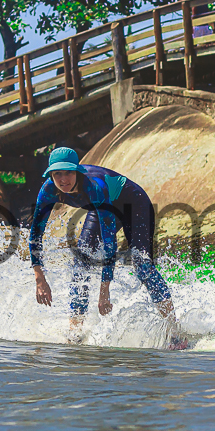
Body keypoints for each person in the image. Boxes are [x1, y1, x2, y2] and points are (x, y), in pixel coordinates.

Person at [29, 147, 187, 348]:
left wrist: (104, 290)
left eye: (68, 172)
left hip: (134, 205)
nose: (63, 179)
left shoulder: (95, 186)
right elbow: (36, 233)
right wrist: (39, 278)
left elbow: (109, 241)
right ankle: (75, 333)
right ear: (50, 175)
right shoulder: (48, 190)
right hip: (101, 209)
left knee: (143, 267)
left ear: (77, 171)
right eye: (57, 174)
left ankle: (175, 331)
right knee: (81, 264)